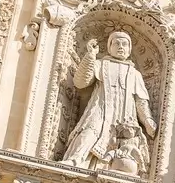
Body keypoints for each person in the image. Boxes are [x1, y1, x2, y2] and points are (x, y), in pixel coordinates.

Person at [61, 30, 156, 172]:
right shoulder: (100, 64)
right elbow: (80, 82)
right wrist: (90, 57)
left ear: (130, 49)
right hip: (100, 108)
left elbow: (141, 100)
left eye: (125, 44)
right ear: (109, 47)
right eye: (116, 43)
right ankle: (75, 160)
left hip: (125, 117)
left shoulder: (135, 74)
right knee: (89, 132)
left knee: (121, 143)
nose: (121, 46)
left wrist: (147, 120)